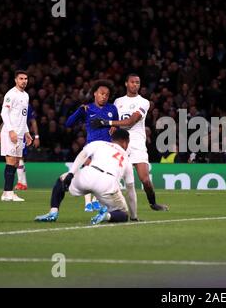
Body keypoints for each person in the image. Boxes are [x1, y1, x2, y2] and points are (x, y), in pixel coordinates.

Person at [92, 74, 168, 211]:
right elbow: (116, 120)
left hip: (137, 144)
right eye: (132, 82)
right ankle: (102, 203)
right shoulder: (117, 102)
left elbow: (130, 121)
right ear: (126, 83)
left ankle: (153, 203)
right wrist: (112, 126)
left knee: (145, 180)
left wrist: (106, 123)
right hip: (120, 144)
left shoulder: (144, 102)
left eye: (138, 83)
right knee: (112, 177)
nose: (135, 85)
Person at [35, 129, 138, 225]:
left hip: (89, 173)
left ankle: (53, 212)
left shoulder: (99, 143)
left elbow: (83, 155)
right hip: (107, 183)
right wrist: (133, 216)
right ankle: (106, 216)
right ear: (125, 142)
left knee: (61, 180)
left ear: (112, 139)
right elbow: (130, 191)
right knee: (123, 214)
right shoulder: (127, 160)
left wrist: (71, 173)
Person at [65, 79, 118, 212]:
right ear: (95, 93)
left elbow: (117, 123)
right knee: (88, 173)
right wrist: (79, 110)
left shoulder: (112, 108)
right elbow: (68, 123)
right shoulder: (87, 108)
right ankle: (88, 203)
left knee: (103, 176)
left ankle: (95, 201)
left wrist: (115, 127)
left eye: (106, 94)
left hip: (107, 148)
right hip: (91, 147)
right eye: (101, 93)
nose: (104, 96)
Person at [0, 70, 33, 202]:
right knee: (11, 161)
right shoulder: (11, 94)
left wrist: (27, 132)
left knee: (16, 163)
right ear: (15, 80)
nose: (24, 81)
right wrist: (11, 131)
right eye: (21, 78)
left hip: (20, 134)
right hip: (11, 133)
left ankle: (8, 192)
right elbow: (4, 113)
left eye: (26, 78)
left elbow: (23, 117)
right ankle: (7, 193)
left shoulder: (26, 95)